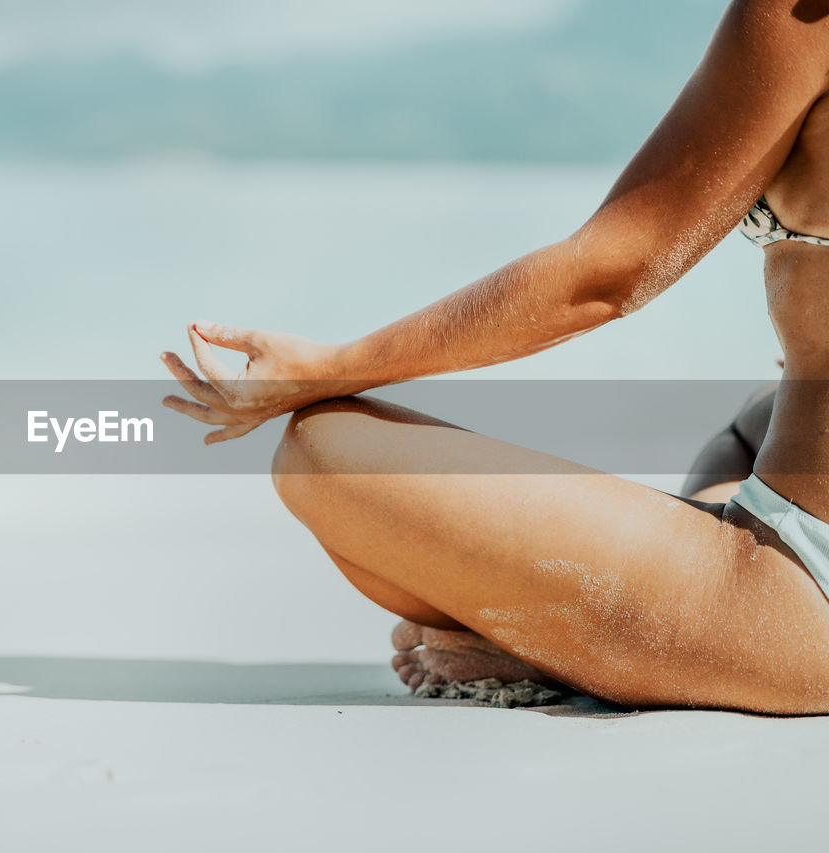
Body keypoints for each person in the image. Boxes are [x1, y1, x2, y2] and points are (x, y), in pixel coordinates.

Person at [159, 0, 829, 714]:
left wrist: (329, 366)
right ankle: (627, 622)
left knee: (323, 452)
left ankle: (578, 643)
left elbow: (608, 272)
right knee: (751, 420)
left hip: (799, 587)